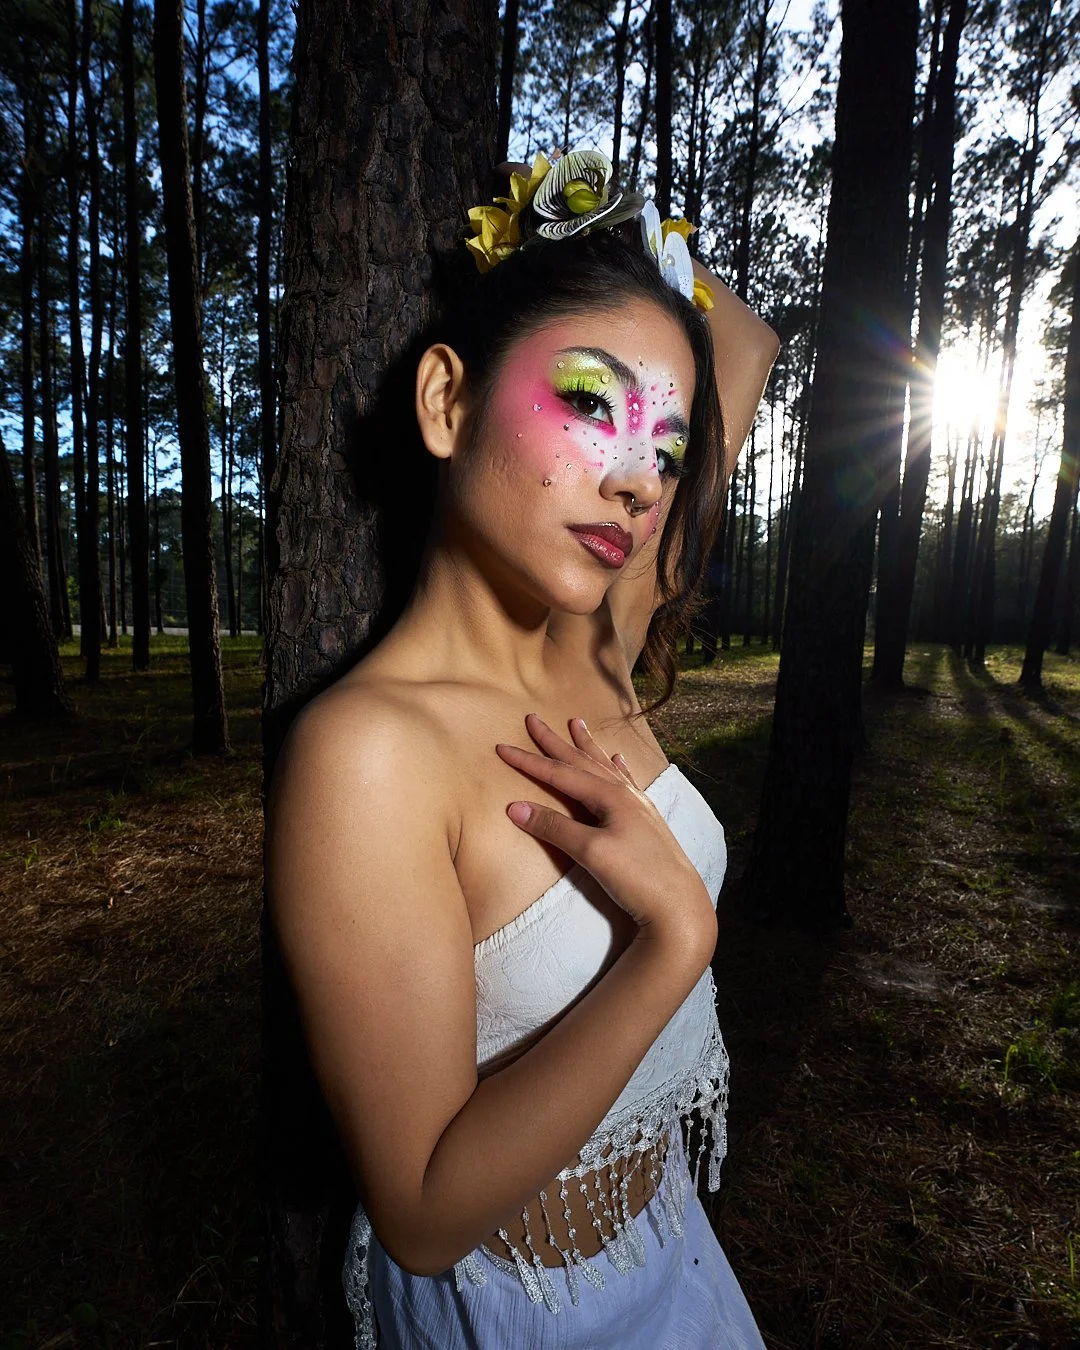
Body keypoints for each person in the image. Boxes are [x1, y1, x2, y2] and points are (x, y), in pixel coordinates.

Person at [267, 149, 778, 1350]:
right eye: (592, 401)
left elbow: (743, 345)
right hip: (523, 1322)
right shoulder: (368, 756)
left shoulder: (603, 635)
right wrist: (675, 942)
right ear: (447, 403)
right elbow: (425, 1215)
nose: (637, 483)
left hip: (675, 1252)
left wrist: (609, 225)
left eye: (666, 447)